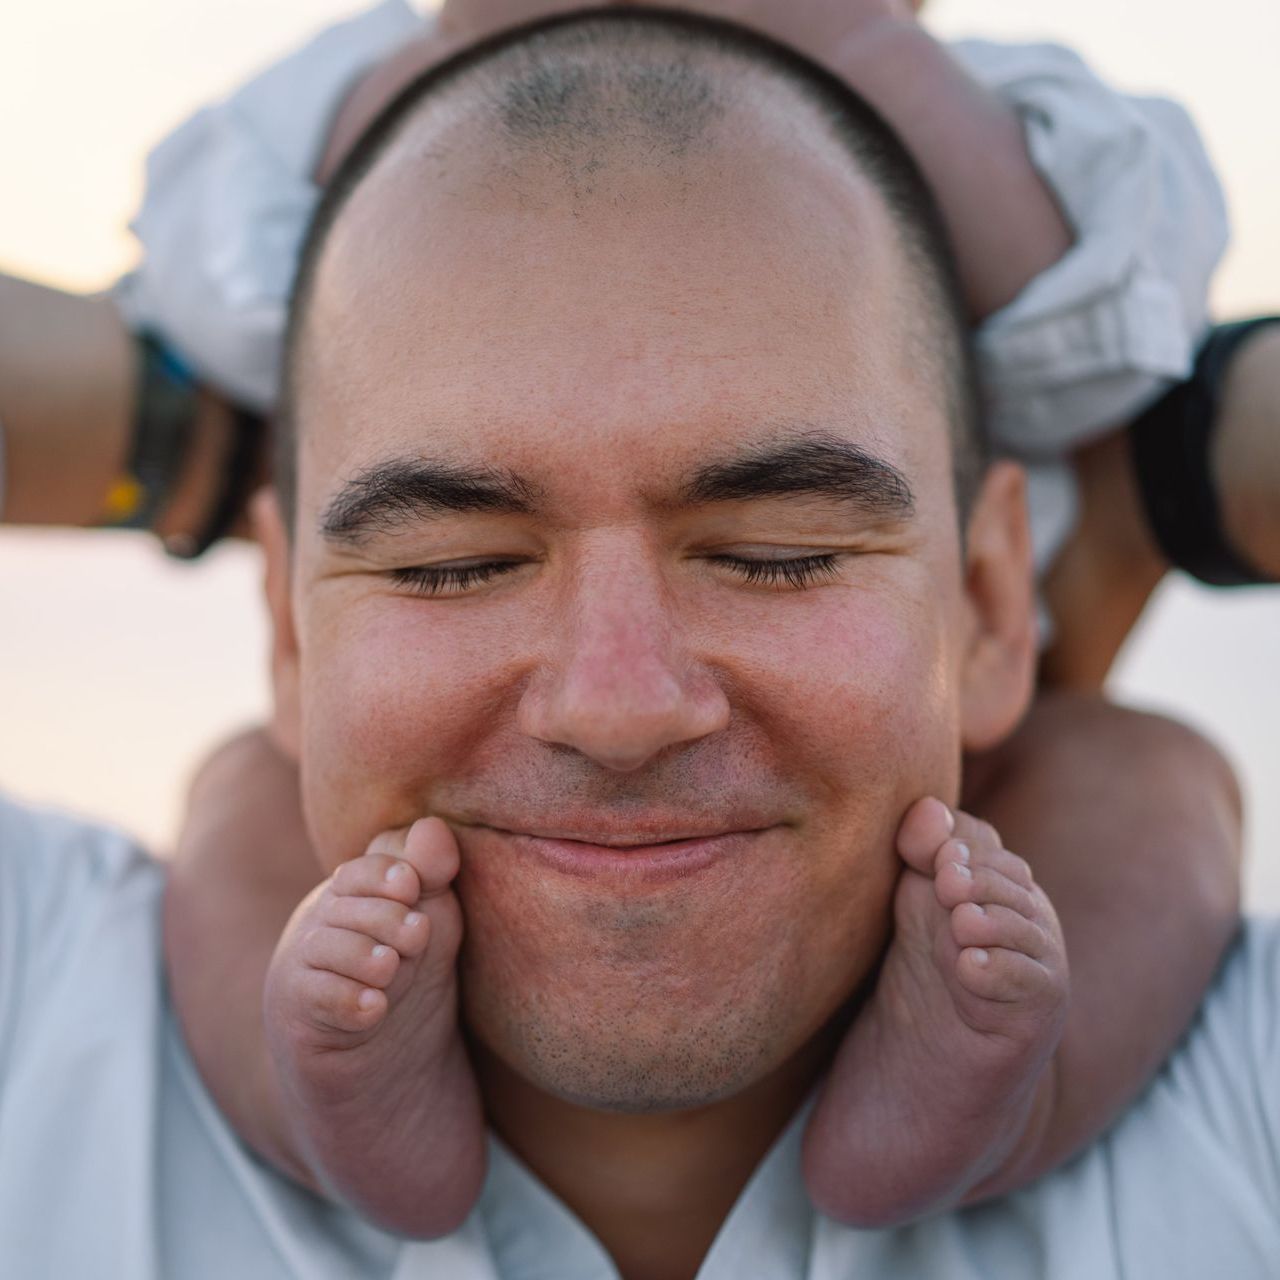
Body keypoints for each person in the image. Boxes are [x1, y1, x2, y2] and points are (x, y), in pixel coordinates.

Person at [2, 12, 1277, 1278]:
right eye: (450, 563)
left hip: (1037, 692)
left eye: (777, 554)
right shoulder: (50, 998)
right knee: (259, 843)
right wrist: (185, 445)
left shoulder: (1026, 124)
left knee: (1138, 793)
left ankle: (1011, 1098)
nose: (617, 704)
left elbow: (1107, 330)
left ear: (987, 600)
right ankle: (324, 1104)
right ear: (285, 620)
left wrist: (1165, 475)